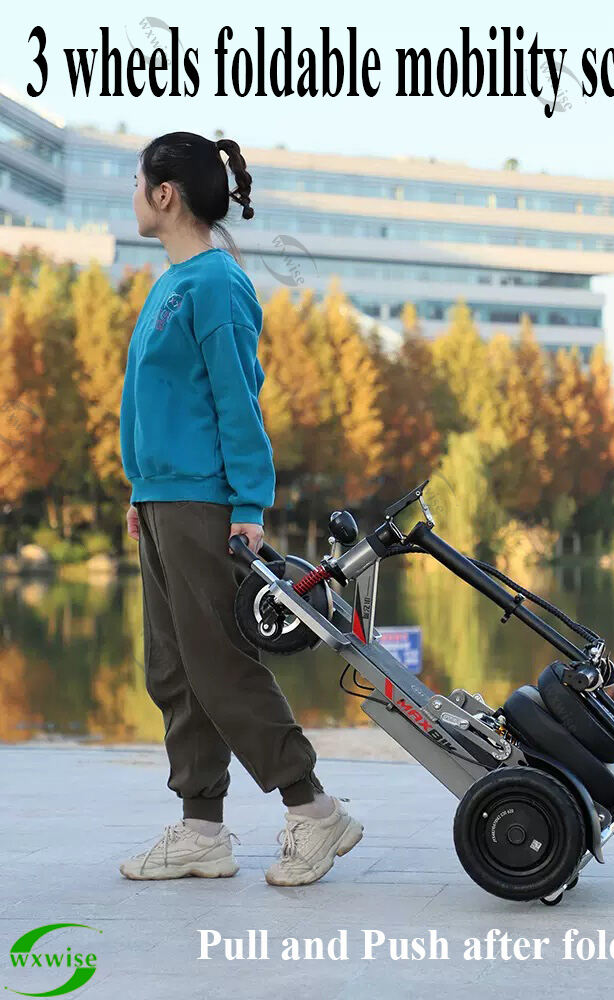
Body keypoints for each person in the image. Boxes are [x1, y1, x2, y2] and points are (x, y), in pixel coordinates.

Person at [117, 132, 363, 885]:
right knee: (174, 670)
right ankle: (201, 830)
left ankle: (315, 812)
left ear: (166, 194)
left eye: (138, 182)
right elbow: (159, 403)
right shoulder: (171, 282)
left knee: (222, 667)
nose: (133, 195)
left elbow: (237, 402)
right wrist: (140, 489)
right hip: (163, 501)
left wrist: (249, 505)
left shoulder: (218, 285)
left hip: (205, 504)